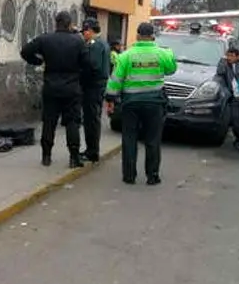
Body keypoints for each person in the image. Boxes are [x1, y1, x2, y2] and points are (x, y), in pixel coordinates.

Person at [105, 22, 177, 185]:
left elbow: (115, 80)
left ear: (137, 36)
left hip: (131, 103)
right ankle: (152, 176)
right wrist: (169, 54)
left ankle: (129, 175)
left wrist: (110, 99)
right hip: (154, 103)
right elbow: (171, 69)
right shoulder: (162, 54)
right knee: (153, 139)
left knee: (129, 139)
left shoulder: (126, 56)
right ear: (153, 36)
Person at [20, 11, 93, 168]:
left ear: (56, 23)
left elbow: (25, 51)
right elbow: (87, 64)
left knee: (49, 122)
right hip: (72, 88)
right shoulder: (78, 41)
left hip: (51, 87)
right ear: (70, 24)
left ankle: (46, 157)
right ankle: (74, 157)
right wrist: (80, 77)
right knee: (72, 122)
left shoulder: (45, 39)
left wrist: (38, 61)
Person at [79, 18, 110, 163]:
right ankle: (92, 150)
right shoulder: (103, 43)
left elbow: (93, 65)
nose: (83, 35)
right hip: (99, 86)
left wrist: (81, 75)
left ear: (90, 30)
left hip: (92, 86)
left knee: (91, 120)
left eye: (84, 31)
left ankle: (92, 152)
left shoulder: (94, 44)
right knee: (93, 119)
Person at [217, 47, 239, 149]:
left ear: (237, 56)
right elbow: (220, 72)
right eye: (228, 55)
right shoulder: (226, 65)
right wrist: (223, 61)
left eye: (232, 56)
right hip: (234, 97)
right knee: (235, 120)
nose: (229, 58)